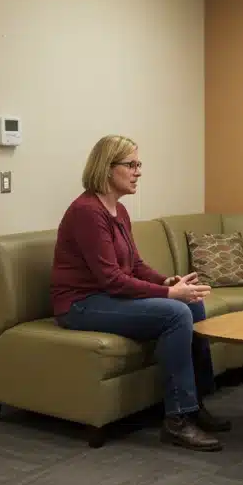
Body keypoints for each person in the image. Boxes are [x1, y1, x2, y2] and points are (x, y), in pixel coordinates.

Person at [51, 134, 230, 452]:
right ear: (108, 168)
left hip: (106, 297)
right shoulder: (87, 211)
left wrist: (169, 282)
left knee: (192, 304)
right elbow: (112, 280)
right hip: (80, 304)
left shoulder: (118, 210)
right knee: (176, 312)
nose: (138, 172)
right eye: (131, 165)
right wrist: (168, 294)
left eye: (139, 164)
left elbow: (134, 265)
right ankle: (177, 420)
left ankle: (194, 405)